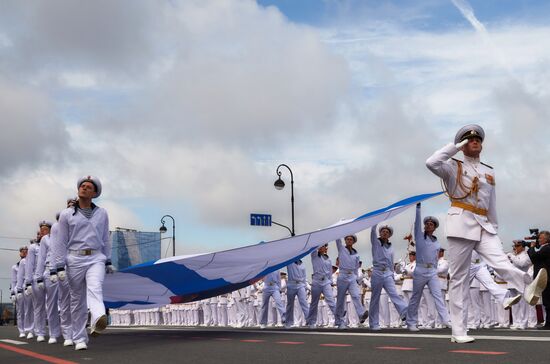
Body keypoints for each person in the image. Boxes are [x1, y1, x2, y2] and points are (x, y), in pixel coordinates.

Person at [426, 124, 547, 343]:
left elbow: (492, 203)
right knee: (460, 279)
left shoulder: (488, 170)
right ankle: (459, 331)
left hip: (484, 224)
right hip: (461, 222)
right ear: (463, 145)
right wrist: (454, 148)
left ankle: (528, 287)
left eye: (478, 139)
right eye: (469, 140)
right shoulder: (452, 166)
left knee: (501, 261)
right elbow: (431, 162)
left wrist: (494, 228)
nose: (475, 141)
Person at [50, 176, 112, 350]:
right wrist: (59, 266)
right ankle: (79, 338)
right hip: (74, 259)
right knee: (77, 301)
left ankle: (98, 318)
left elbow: (106, 238)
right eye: (82, 186)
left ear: (94, 193)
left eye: (88, 187)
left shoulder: (102, 213)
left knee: (95, 287)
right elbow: (60, 242)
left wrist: (107, 260)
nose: (84, 188)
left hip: (96, 258)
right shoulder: (66, 214)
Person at [406, 204, 451, 331]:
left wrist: (434, 269)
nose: (428, 225)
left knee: (438, 296)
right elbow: (417, 224)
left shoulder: (436, 241)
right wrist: (418, 209)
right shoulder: (420, 236)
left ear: (435, 228)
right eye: (427, 223)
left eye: (431, 224)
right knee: (416, 297)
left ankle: (446, 320)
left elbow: (435, 258)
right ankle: (411, 323)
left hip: (432, 271)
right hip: (420, 269)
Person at [369, 225, 408, 330]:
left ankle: (405, 313)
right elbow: (372, 232)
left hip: (387, 273)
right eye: (383, 231)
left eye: (387, 232)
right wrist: (374, 223)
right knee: (375, 299)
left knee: (394, 294)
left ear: (389, 235)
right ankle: (374, 323)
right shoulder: (376, 242)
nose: (385, 233)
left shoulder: (391, 247)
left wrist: (391, 273)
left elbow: (391, 261)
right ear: (380, 233)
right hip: (377, 271)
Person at [335, 235, 368, 329]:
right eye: (347, 239)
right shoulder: (341, 248)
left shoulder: (356, 253)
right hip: (342, 275)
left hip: (352, 276)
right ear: (345, 241)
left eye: (351, 240)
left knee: (356, 295)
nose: (349, 241)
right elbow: (337, 239)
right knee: (341, 299)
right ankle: (339, 321)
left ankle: (361, 314)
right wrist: (342, 228)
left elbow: (356, 267)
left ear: (353, 242)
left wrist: (357, 278)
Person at [306, 244, 337, 328]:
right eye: (320, 246)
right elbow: (313, 248)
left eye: (323, 246)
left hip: (326, 281)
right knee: (314, 303)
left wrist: (330, 281)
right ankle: (312, 322)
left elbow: (330, 272)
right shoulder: (314, 255)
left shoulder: (328, 259)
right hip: (316, 281)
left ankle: (340, 320)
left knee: (331, 300)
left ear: (325, 248)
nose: (321, 248)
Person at [527, 231, 550, 329]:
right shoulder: (544, 248)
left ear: (546, 239)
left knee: (548, 302)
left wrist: (531, 247)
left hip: (546, 279)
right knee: (546, 302)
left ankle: (548, 324)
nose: (538, 240)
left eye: (540, 238)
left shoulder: (547, 248)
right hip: (545, 278)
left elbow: (533, 257)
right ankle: (548, 323)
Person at [285, 259, 309, 328]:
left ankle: (309, 320)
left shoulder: (302, 265)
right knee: (290, 304)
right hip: (291, 284)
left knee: (304, 303)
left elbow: (304, 277)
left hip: (300, 285)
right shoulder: (290, 262)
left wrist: (304, 287)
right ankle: (288, 322)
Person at [12, 246, 29, 338]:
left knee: (28, 309)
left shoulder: (30, 263)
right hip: (18, 288)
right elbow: (14, 280)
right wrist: (12, 293)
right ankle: (21, 330)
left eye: (26, 251)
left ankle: (29, 329)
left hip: (27, 287)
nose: (24, 253)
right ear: (20, 253)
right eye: (23, 252)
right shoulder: (15, 267)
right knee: (20, 311)